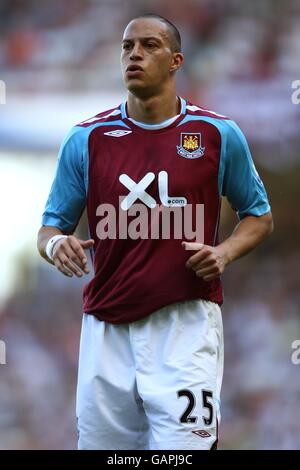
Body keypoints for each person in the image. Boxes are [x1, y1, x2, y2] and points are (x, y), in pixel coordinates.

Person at [37, 14, 273, 450]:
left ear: (175, 61)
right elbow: (50, 228)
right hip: (106, 329)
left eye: (149, 46)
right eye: (127, 47)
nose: (135, 55)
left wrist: (224, 252)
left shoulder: (217, 134)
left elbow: (259, 216)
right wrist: (56, 244)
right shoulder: (86, 139)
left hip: (185, 325)